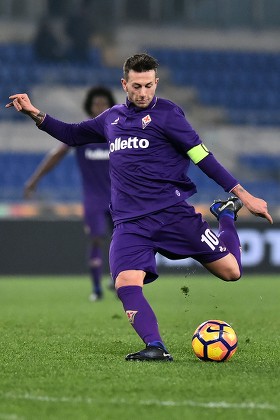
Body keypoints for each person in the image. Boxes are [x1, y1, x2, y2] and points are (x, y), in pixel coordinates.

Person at [6, 53, 273, 362]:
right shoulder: (111, 118)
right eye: (136, 86)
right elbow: (73, 134)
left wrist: (243, 194)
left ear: (156, 82)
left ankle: (226, 213)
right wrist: (34, 113)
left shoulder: (170, 115)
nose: (143, 92)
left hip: (173, 215)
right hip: (131, 223)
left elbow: (203, 157)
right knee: (125, 283)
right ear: (124, 84)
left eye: (148, 85)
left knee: (232, 272)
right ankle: (156, 347)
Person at [23, 87, 116, 301]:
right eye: (96, 103)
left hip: (118, 198)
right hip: (93, 198)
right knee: (95, 239)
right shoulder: (83, 133)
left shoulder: (117, 132)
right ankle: (96, 290)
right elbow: (56, 155)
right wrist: (34, 180)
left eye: (103, 103)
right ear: (90, 107)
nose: (100, 107)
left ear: (110, 106)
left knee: (123, 239)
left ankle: (118, 280)